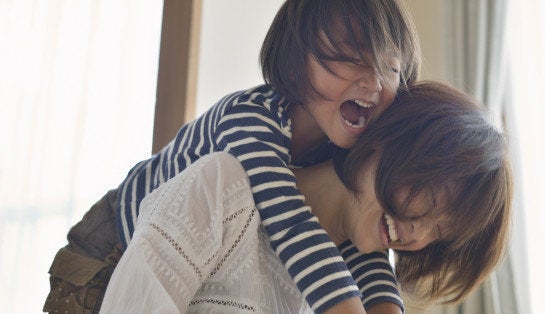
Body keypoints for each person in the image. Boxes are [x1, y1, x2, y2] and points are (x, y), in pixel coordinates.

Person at [43, 0, 421, 313]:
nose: (374, 82)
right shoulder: (251, 120)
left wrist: (386, 302)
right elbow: (290, 222)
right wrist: (345, 304)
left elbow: (356, 232)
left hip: (189, 263)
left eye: (390, 67)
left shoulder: (340, 147)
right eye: (354, 58)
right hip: (111, 246)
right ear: (297, 57)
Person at [99, 81, 513, 313]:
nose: (417, 230)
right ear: (387, 141)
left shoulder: (361, 281)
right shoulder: (225, 183)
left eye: (438, 231)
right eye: (428, 197)